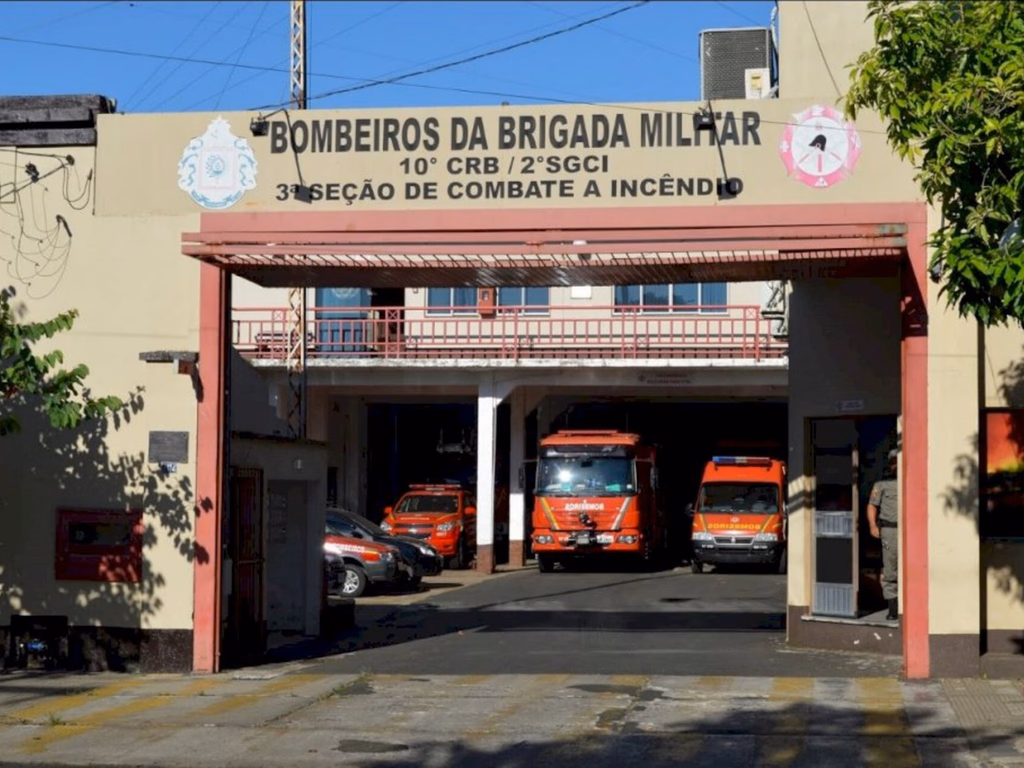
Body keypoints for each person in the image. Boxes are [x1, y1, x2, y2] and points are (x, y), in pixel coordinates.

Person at [867, 449, 900, 621]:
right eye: (893, 461)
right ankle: (893, 607)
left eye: (898, 461)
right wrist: (873, 525)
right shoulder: (882, 484)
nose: (896, 465)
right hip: (890, 532)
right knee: (890, 567)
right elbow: (872, 506)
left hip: (910, 530)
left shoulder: (912, 481)